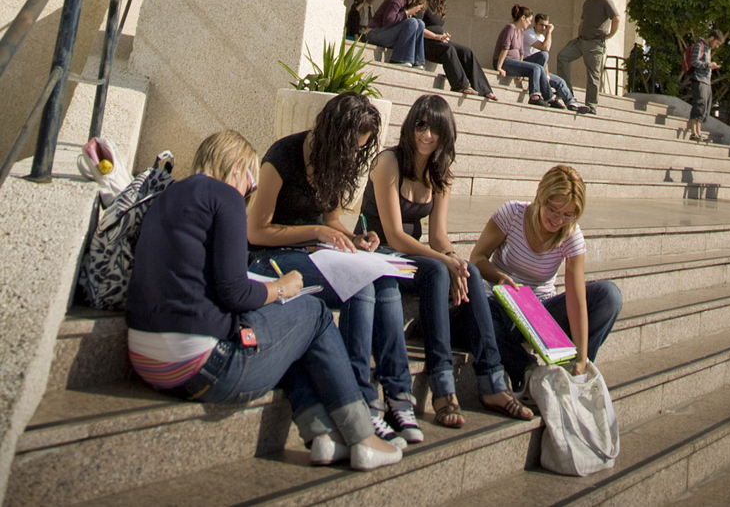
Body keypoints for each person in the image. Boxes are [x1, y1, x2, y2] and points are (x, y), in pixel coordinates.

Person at [125, 130, 402, 471]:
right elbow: (235, 292)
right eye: (251, 183)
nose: (249, 192)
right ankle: (363, 436)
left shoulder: (168, 195)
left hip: (145, 361)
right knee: (314, 313)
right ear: (237, 168)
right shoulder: (224, 196)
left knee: (288, 336)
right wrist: (281, 287)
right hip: (200, 365)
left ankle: (322, 435)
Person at [246, 93, 422, 448]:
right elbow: (256, 231)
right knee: (359, 285)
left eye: (360, 150)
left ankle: (399, 394)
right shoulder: (282, 157)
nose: (354, 156)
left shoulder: (337, 163)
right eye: (352, 148)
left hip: (315, 252)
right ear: (332, 136)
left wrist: (355, 238)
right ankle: (361, 399)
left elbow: (330, 221)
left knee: (385, 280)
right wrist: (316, 231)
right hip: (271, 258)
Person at [354, 94, 533, 428]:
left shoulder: (441, 174)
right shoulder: (388, 162)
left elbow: (438, 235)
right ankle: (443, 386)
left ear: (445, 134)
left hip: (410, 259)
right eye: (420, 126)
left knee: (471, 272)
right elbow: (394, 235)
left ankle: (493, 381)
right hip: (377, 255)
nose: (426, 135)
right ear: (410, 126)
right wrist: (443, 261)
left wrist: (454, 260)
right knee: (438, 268)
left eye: (434, 129)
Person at [470, 165, 623, 397]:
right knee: (476, 313)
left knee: (609, 295)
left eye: (568, 214)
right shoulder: (512, 214)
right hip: (500, 304)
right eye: (553, 210)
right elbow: (477, 258)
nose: (558, 220)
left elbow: (576, 298)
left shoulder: (571, 234)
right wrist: (499, 278)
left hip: (540, 313)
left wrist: (582, 356)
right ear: (540, 197)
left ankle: (573, 371)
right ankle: (528, 372)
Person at [420, 0, 497, 101]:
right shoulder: (423, 6)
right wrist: (436, 36)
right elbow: (418, 28)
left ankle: (484, 89)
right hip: (426, 43)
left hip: (439, 41)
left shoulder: (437, 8)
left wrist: (442, 36)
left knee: (466, 52)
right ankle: (460, 85)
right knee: (448, 49)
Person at [556, 0, 620, 115]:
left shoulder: (606, 1)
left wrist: (610, 35)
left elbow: (616, 18)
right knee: (562, 56)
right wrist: (579, 34)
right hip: (581, 41)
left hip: (595, 43)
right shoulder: (587, 3)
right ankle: (567, 93)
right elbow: (582, 21)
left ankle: (591, 105)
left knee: (593, 75)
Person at [494, 5, 564, 109]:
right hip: (505, 61)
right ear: (523, 18)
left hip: (515, 62)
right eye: (529, 20)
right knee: (535, 68)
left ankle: (549, 98)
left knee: (539, 67)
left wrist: (520, 70)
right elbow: (505, 48)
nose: (530, 23)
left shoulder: (521, 31)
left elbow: (521, 52)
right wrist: (499, 67)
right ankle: (534, 96)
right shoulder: (510, 28)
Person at [524, 13, 591, 114]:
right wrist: (549, 32)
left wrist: (547, 75)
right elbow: (545, 48)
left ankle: (571, 103)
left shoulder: (542, 37)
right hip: (528, 66)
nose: (544, 28)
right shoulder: (529, 34)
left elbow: (545, 61)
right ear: (535, 24)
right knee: (544, 54)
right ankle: (548, 97)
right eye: (541, 25)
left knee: (560, 81)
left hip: (540, 70)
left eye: (546, 26)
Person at [366, 0, 427, 68]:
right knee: (412, 22)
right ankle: (399, 59)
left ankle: (417, 61)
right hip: (374, 33)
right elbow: (388, 20)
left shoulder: (408, 3)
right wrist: (407, 13)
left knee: (420, 23)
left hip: (386, 33)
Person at [686, 29, 726, 141]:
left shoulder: (708, 49)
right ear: (712, 38)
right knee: (698, 105)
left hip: (706, 81)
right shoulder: (699, 46)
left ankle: (698, 132)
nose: (717, 46)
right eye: (717, 43)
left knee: (704, 107)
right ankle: (693, 133)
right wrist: (709, 65)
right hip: (699, 79)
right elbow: (694, 62)